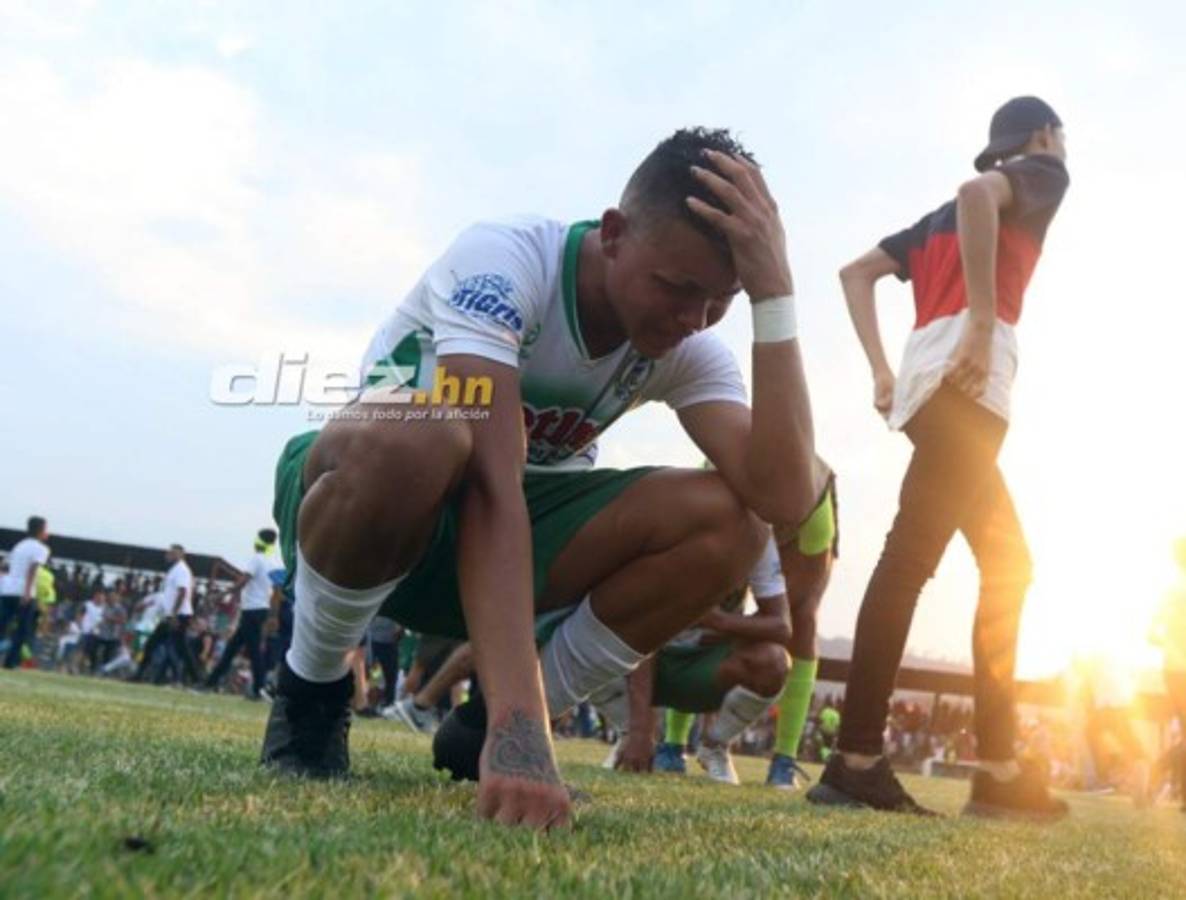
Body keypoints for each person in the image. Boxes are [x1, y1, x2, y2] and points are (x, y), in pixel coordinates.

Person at [261, 127, 822, 829]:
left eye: (722, 300)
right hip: (366, 512)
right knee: (425, 434)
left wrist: (776, 296)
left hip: (505, 550)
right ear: (613, 234)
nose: (693, 319)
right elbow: (493, 492)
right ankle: (313, 689)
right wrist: (525, 742)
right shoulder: (506, 259)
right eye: (678, 288)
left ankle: (481, 728)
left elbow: (789, 498)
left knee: (730, 523)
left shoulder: (690, 343)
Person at [808, 96, 1070, 820]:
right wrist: (984, 322)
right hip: (970, 383)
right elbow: (976, 192)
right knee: (911, 560)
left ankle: (997, 768)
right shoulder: (1042, 171)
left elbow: (854, 273)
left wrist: (882, 372)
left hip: (926, 387)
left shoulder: (928, 227)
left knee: (1007, 563)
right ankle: (858, 760)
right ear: (1044, 136)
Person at [598, 533, 792, 785]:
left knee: (773, 662)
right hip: (644, 657)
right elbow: (641, 621)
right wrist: (639, 728)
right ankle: (627, 734)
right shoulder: (668, 518)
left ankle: (715, 745)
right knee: (581, 637)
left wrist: (721, 622)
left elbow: (781, 626)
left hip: (706, 668)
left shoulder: (757, 534)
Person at [204, 529, 285, 699]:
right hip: (259, 609)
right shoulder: (272, 562)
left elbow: (243, 581)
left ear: (258, 541)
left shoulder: (256, 559)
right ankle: (211, 683)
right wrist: (273, 614)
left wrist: (221, 594)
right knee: (233, 649)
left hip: (252, 611)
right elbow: (275, 589)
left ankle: (259, 689)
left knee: (253, 652)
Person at [1150, 538, 1186, 811]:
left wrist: (1170, 642)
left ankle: (1160, 771)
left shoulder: (1168, 592)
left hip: (1171, 669)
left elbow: (1150, 634)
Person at [133, 545, 200, 685]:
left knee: (180, 648)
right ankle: (138, 675)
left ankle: (196, 679)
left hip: (178, 615)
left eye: (173, 553)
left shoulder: (181, 570)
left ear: (180, 555)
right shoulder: (174, 570)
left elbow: (183, 592)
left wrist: (174, 614)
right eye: (169, 553)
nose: (169, 555)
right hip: (171, 615)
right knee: (153, 644)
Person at [0, 516, 51, 669]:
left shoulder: (19, 545)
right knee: (23, 630)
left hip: (8, 590)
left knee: (2, 625)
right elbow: (33, 569)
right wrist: (28, 592)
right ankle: (11, 662)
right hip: (23, 591)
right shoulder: (41, 549)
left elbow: (5, 565)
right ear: (41, 531)